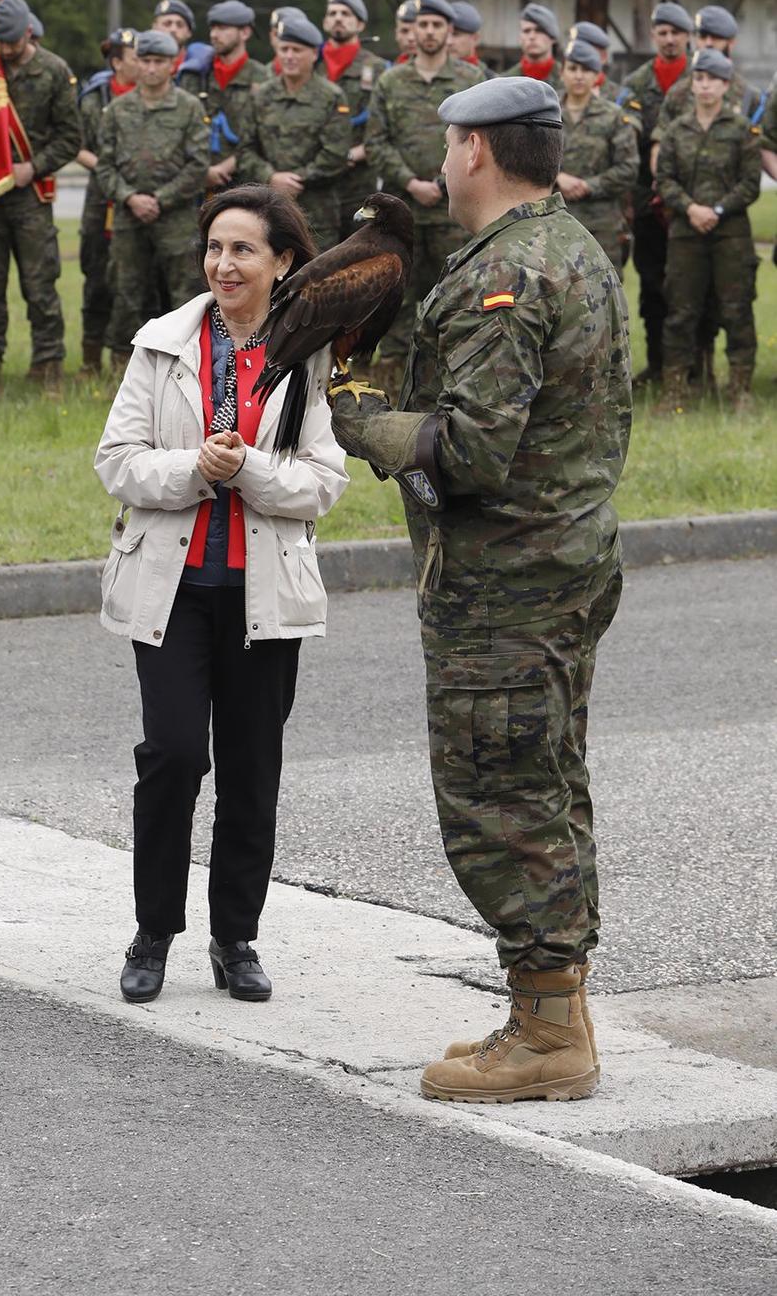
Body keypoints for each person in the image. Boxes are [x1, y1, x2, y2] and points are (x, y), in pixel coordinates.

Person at [328, 77, 631, 1104]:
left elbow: (470, 450)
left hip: (505, 585)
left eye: (450, 141)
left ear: (474, 153)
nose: (443, 158)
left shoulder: (505, 275)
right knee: (545, 780)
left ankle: (548, 1035)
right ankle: (553, 1009)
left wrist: (363, 420)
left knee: (499, 797)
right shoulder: (571, 246)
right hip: (560, 563)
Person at [94, 184, 348, 1006]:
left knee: (251, 771)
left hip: (263, 597)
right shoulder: (161, 344)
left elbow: (321, 484)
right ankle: (152, 931)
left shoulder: (310, 352)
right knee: (170, 757)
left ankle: (235, 938)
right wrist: (191, 468)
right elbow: (117, 461)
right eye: (214, 247)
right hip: (170, 590)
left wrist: (249, 469)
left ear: (283, 262)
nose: (223, 263)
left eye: (243, 249)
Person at [363, 0, 485, 390]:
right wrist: (411, 182)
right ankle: (392, 380)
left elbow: (482, 141)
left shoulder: (471, 80)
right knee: (396, 297)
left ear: (450, 32)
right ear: (412, 31)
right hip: (403, 212)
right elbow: (377, 143)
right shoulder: (390, 82)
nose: (430, 32)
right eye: (423, 25)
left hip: (455, 210)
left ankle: (452, 379)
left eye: (437, 25)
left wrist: (443, 181)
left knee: (455, 296)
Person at [0, 0, 80, 400]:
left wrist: (33, 167)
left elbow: (71, 138)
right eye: (0, 41)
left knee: (40, 284)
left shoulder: (53, 71)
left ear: (28, 32)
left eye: (12, 42)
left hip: (30, 195)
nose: (6, 49)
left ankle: (48, 368)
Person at [653, 49, 762, 413]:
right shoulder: (675, 129)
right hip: (686, 233)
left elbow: (750, 184)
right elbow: (664, 179)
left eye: (712, 79)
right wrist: (690, 208)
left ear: (725, 85)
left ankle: (740, 390)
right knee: (681, 311)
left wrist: (716, 210)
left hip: (731, 234)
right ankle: (675, 391)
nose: (704, 85)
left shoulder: (742, 130)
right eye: (699, 78)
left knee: (737, 309)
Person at [96, 29, 208, 366]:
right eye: (144, 61)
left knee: (184, 293)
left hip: (175, 217)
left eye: (158, 61)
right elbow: (104, 166)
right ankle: (122, 362)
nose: (150, 68)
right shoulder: (117, 110)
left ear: (172, 65)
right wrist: (130, 198)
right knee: (126, 289)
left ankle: (186, 361)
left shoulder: (188, 108)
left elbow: (198, 163)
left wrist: (160, 198)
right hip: (130, 216)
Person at [617, 1, 693, 385]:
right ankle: (660, 365)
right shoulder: (636, 82)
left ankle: (697, 368)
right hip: (649, 203)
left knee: (694, 287)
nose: (668, 39)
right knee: (652, 286)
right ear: (653, 36)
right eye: (661, 33)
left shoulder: (703, 77)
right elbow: (628, 137)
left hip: (690, 200)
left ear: (686, 36)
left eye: (675, 33)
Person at [236, 11, 353, 250]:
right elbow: (245, 149)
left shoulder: (331, 96)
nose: (289, 56)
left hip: (316, 214)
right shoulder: (262, 96)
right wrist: (271, 177)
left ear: (313, 53)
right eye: (284, 49)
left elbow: (336, 153)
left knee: (317, 282)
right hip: (267, 210)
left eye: (296, 50)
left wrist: (296, 179)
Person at [75, 28, 139, 378]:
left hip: (137, 198)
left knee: (130, 278)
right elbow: (77, 144)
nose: (142, 64)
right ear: (117, 63)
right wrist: (106, 168)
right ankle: (90, 355)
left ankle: (125, 354)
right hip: (102, 196)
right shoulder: (94, 97)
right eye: (134, 58)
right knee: (96, 274)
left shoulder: (150, 94)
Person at [556, 40, 638, 271]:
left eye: (586, 70)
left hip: (601, 225)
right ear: (562, 73)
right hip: (554, 220)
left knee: (603, 294)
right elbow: (527, 161)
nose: (579, 76)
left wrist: (589, 185)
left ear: (597, 76)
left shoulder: (613, 117)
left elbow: (628, 168)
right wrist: (557, 178)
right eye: (573, 69)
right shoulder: (547, 113)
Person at [317, 0, 387, 234]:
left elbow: (385, 123)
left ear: (360, 24)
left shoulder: (377, 68)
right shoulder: (311, 64)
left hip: (359, 181)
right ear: (325, 21)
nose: (338, 18)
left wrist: (356, 153)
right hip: (317, 183)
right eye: (333, 13)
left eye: (346, 13)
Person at [202, 0, 263, 189]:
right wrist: (204, 171)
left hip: (246, 184)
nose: (214, 35)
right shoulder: (199, 75)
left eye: (222, 28)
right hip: (198, 184)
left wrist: (226, 167)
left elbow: (266, 135)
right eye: (212, 28)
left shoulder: (263, 78)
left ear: (245, 33)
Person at [152, 0, 212, 98]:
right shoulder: (140, 65)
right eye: (167, 24)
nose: (173, 29)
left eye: (180, 25)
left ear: (189, 32)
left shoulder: (202, 68)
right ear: (154, 27)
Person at [503, 2, 563, 88]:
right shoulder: (506, 81)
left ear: (552, 37)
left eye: (539, 31)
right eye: (526, 31)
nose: (532, 36)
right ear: (520, 38)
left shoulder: (568, 80)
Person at [449, 2, 488, 74]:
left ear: (475, 38)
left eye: (456, 34)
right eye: (446, 35)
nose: (449, 41)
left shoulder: (487, 79)